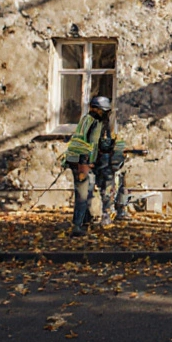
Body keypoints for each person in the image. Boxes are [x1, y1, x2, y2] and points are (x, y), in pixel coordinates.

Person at [62, 95, 113, 236]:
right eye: (104, 111)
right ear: (97, 110)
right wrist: (85, 163)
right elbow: (90, 144)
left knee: (88, 190)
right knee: (82, 195)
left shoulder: (86, 120)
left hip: (78, 161)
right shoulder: (95, 122)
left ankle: (86, 221)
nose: (106, 114)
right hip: (81, 162)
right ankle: (77, 226)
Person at [93, 126, 130, 228]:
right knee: (102, 191)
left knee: (111, 190)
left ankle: (116, 210)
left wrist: (115, 165)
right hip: (101, 167)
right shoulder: (94, 133)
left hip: (110, 168)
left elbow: (119, 151)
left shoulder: (115, 137)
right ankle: (102, 214)